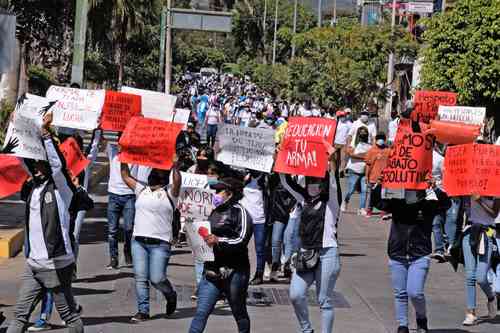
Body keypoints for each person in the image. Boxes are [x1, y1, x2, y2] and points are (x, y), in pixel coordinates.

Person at [7, 112, 83, 333]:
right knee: (20, 315)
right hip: (34, 265)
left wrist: (46, 136)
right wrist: (15, 127)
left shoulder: (62, 189)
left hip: (56, 266)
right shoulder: (34, 188)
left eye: (41, 165)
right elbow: (21, 157)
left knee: (69, 316)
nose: (37, 168)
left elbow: (57, 166)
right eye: (35, 165)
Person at [280, 150, 342, 333]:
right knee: (296, 295)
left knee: (325, 300)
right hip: (307, 253)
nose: (312, 185)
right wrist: (281, 159)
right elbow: (286, 182)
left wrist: (331, 162)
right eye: (309, 181)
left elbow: (333, 182)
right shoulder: (304, 199)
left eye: (316, 181)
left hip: (327, 253)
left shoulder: (331, 202)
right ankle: (307, 330)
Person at [188, 177, 253, 333]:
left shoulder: (241, 212)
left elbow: (241, 239)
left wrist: (219, 240)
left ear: (229, 193)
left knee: (239, 312)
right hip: (212, 270)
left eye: (218, 191)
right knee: (201, 313)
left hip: (235, 271)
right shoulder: (208, 210)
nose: (214, 194)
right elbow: (198, 231)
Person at [120, 162, 181, 322]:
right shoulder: (142, 190)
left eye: (158, 174)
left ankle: (170, 294)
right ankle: (143, 311)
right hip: (139, 241)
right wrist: (123, 158)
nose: (154, 176)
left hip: (160, 244)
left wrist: (175, 167)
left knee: (157, 278)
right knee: (140, 277)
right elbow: (126, 176)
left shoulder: (170, 193)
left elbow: (177, 182)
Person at [461, 194, 499, 326]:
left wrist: (480, 200)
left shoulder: (495, 190)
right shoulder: (468, 188)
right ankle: (470, 312)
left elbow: (494, 214)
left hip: (486, 233)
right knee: (470, 276)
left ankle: (491, 297)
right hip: (469, 232)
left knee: (481, 277)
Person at [106, 142, 137, 269]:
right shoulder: (112, 151)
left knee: (129, 228)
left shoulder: (136, 155)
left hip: (129, 195)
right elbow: (100, 139)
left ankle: (127, 251)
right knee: (112, 230)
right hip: (114, 195)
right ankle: (113, 258)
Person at [430, 143, 460, 263]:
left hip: (453, 196)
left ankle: (451, 247)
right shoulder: (439, 159)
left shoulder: (439, 160)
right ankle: (439, 249)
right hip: (439, 195)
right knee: (437, 222)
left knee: (451, 222)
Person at [240, 171, 267, 285]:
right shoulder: (245, 177)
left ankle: (259, 274)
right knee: (241, 246)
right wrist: (243, 181)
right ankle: (241, 272)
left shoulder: (265, 179)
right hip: (245, 219)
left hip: (260, 219)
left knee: (259, 248)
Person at [341, 126, 372, 215]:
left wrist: (359, 155)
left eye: (365, 133)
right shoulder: (353, 144)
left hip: (364, 171)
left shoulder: (369, 146)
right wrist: (365, 156)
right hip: (353, 169)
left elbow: (370, 156)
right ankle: (345, 201)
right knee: (351, 189)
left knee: (364, 190)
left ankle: (361, 208)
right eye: (361, 133)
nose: (363, 135)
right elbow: (351, 154)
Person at [364, 132, 391, 218]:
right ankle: (369, 210)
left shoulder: (388, 151)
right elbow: (368, 165)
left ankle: (383, 211)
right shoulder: (371, 151)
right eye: (379, 138)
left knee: (384, 196)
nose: (381, 140)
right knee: (372, 195)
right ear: (375, 140)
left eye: (382, 138)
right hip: (373, 177)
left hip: (385, 178)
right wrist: (366, 176)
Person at [334, 110, 353, 177]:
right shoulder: (336, 123)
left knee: (343, 159)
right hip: (335, 143)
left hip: (344, 144)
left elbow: (351, 134)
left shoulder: (349, 124)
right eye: (341, 116)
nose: (342, 117)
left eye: (343, 116)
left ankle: (341, 171)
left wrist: (349, 144)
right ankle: (335, 170)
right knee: (336, 158)